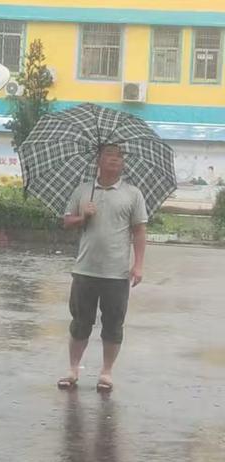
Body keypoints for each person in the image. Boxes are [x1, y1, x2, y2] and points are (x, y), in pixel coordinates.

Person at [58, 144, 148, 392]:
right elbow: (66, 222)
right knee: (80, 321)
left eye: (119, 157)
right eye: (109, 155)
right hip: (85, 269)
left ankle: (106, 372)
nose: (114, 160)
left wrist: (138, 265)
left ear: (124, 164)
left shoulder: (133, 194)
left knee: (113, 324)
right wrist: (82, 216)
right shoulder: (83, 191)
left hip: (116, 273)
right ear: (98, 159)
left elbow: (139, 231)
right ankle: (73, 369)